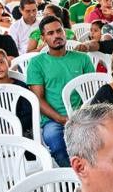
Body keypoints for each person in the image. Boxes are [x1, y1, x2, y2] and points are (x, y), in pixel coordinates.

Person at [27, 15, 98, 168]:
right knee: (56, 143)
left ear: (65, 32)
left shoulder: (83, 59)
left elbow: (92, 92)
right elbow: (38, 98)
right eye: (50, 33)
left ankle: (90, 176)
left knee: (99, 143)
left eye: (59, 31)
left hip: (83, 116)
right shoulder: (36, 63)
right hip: (53, 119)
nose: (56, 35)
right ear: (43, 38)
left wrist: (81, 117)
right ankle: (74, 177)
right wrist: (61, 118)